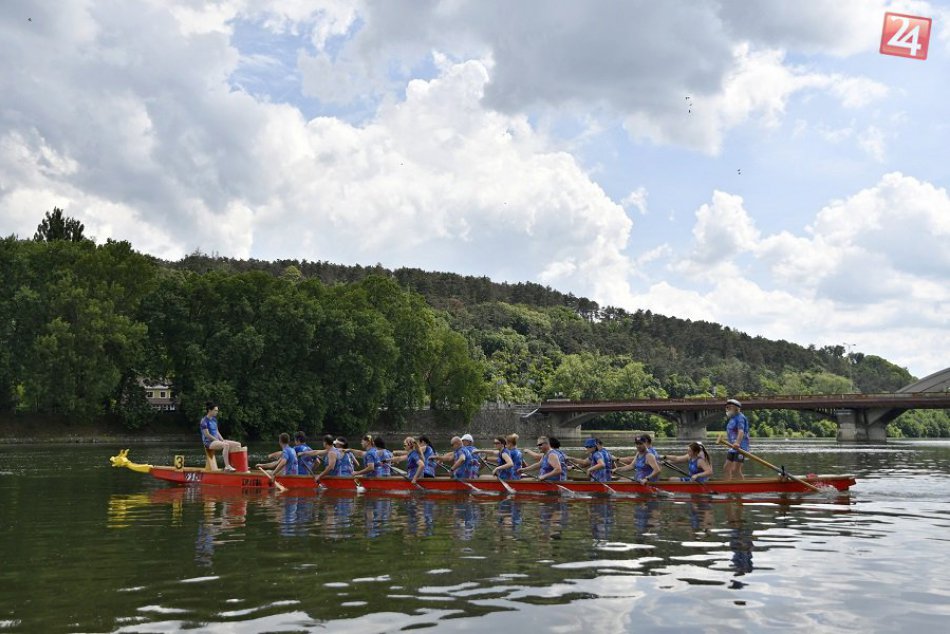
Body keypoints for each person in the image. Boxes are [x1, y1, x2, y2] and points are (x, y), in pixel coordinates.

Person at [199, 402, 242, 472]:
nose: (217, 412)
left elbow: (217, 432)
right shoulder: (204, 421)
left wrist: (222, 440)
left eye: (217, 410)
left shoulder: (214, 419)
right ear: (210, 410)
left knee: (237, 444)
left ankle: (236, 465)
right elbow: (207, 435)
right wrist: (217, 440)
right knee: (226, 445)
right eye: (215, 410)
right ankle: (227, 466)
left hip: (216, 441)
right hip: (209, 443)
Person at [724, 398, 750, 480]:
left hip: (740, 447)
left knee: (735, 470)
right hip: (732, 448)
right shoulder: (732, 418)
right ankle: (728, 485)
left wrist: (737, 443)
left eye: (729, 408)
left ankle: (743, 488)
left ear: (736, 408)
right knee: (726, 468)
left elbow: (741, 431)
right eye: (727, 408)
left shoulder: (740, 418)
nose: (727, 409)